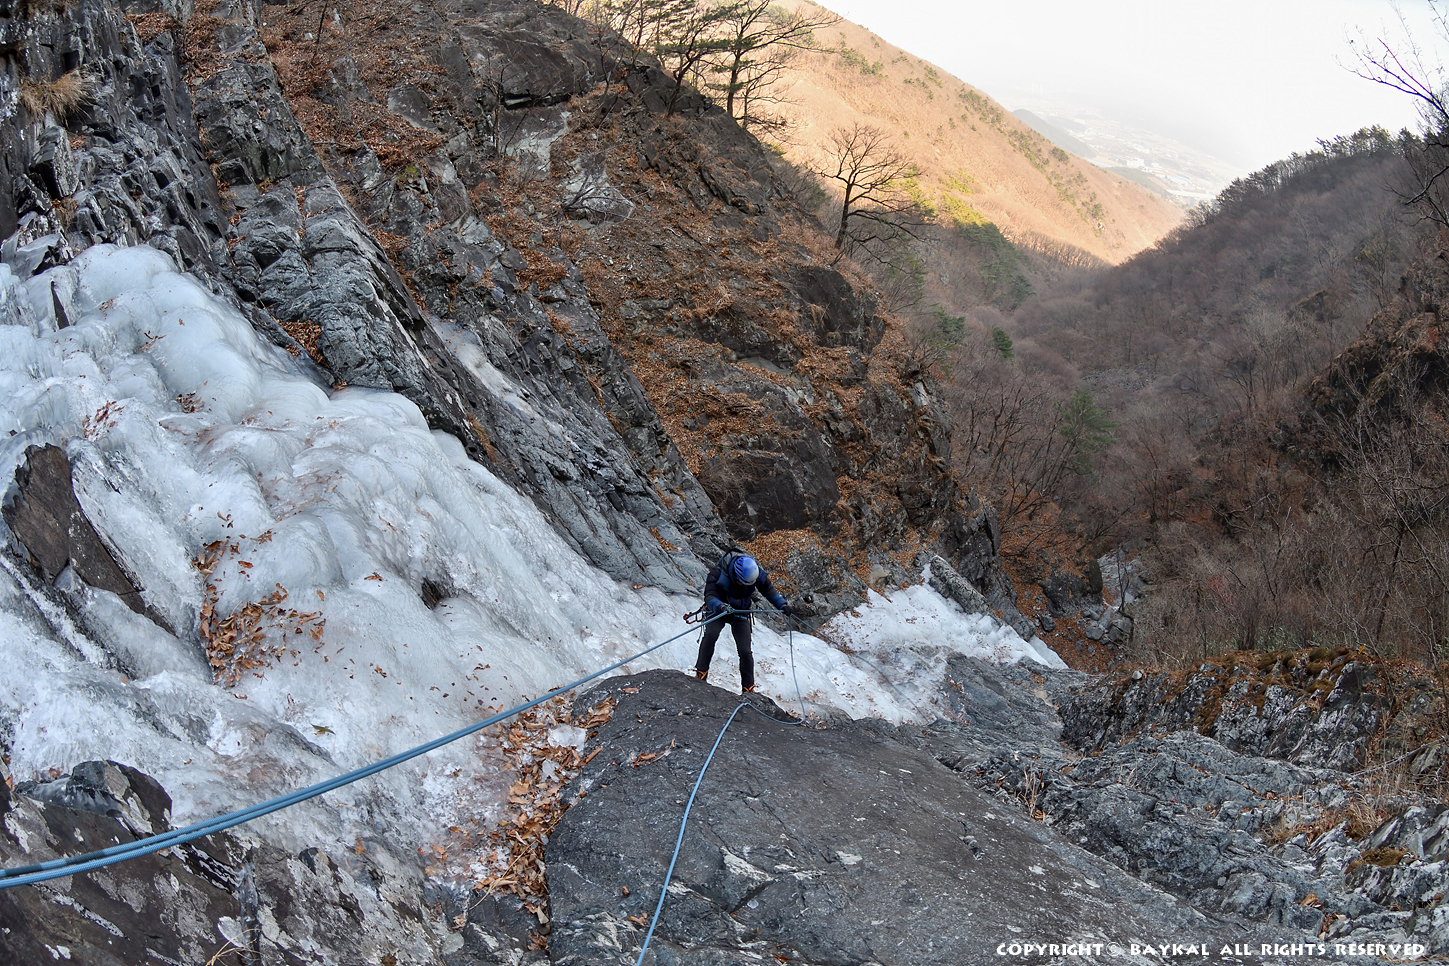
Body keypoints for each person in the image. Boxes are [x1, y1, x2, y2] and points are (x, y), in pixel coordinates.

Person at [691, 550, 795, 693]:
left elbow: (769, 590)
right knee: (710, 635)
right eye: (741, 583)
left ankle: (748, 688)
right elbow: (709, 596)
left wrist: (782, 605)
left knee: (745, 651)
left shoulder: (754, 572)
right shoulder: (717, 573)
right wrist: (721, 606)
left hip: (740, 612)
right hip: (719, 610)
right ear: (735, 575)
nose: (744, 586)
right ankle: (701, 673)